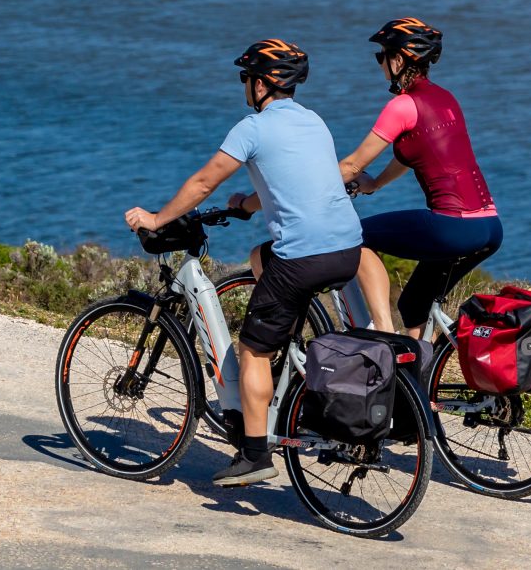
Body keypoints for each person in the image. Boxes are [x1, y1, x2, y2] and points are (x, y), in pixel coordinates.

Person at [127, 39, 364, 488]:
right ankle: (286, 350)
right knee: (260, 257)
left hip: (304, 257)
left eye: (246, 78)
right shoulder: (314, 122)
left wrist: (156, 218)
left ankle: (255, 454)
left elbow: (202, 183)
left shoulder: (252, 128)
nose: (243, 86)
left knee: (253, 349)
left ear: (262, 84)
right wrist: (251, 205)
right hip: (347, 249)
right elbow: (301, 181)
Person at [338, 18, 501, 340]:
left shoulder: (402, 105)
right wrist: (377, 183)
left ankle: (383, 330)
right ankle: (418, 383)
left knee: (352, 235)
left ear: (398, 59)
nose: (380, 64)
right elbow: (414, 152)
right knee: (414, 306)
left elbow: (353, 164)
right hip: (489, 227)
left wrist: (305, 189)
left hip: (452, 225)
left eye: (381, 56)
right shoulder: (445, 98)